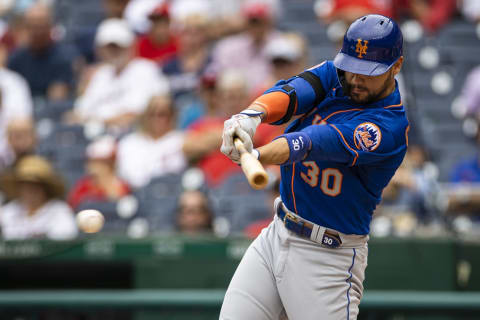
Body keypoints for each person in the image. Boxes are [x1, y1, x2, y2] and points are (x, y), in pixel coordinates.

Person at [219, 14, 408, 319]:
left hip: (327, 258)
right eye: (352, 69)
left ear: (395, 66)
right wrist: (250, 117)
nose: (356, 79)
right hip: (277, 233)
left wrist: (255, 153)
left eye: (368, 72)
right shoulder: (340, 74)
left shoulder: (387, 127)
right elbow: (294, 92)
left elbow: (309, 143)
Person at [72, 18, 169, 132]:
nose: (113, 51)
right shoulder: (101, 74)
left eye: (118, 46)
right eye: (109, 47)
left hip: (131, 136)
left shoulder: (145, 69)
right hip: (94, 135)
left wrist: (96, 121)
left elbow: (137, 114)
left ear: (130, 46)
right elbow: (78, 113)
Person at [0, 155, 78, 240]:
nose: (29, 190)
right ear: (19, 187)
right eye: (25, 185)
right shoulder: (7, 212)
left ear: (46, 188)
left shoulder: (60, 211)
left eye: (35, 186)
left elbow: (65, 241)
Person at [116, 95, 186, 189]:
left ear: (172, 115)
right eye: (152, 113)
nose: (156, 119)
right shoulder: (128, 143)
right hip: (137, 194)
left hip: (172, 192)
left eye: (162, 114)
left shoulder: (181, 139)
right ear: (145, 116)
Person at [7, 3, 73, 101]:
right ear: (26, 27)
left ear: (50, 27)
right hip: (21, 108)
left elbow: (58, 96)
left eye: (41, 26)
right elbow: (11, 92)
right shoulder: (16, 58)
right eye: (33, 26)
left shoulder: (64, 56)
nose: (37, 31)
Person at [68, 135, 130, 210]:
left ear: (111, 164)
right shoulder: (83, 187)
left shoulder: (124, 186)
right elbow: (73, 208)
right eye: (92, 162)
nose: (94, 166)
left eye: (101, 162)